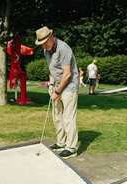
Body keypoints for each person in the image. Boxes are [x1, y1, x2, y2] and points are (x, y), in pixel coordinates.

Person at [35, 26, 79, 159]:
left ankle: (71, 148)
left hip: (69, 85)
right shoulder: (46, 51)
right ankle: (61, 142)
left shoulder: (63, 48)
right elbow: (52, 69)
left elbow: (67, 74)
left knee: (68, 117)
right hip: (57, 85)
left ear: (50, 39)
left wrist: (58, 91)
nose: (42, 47)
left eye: (43, 43)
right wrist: (51, 84)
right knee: (57, 115)